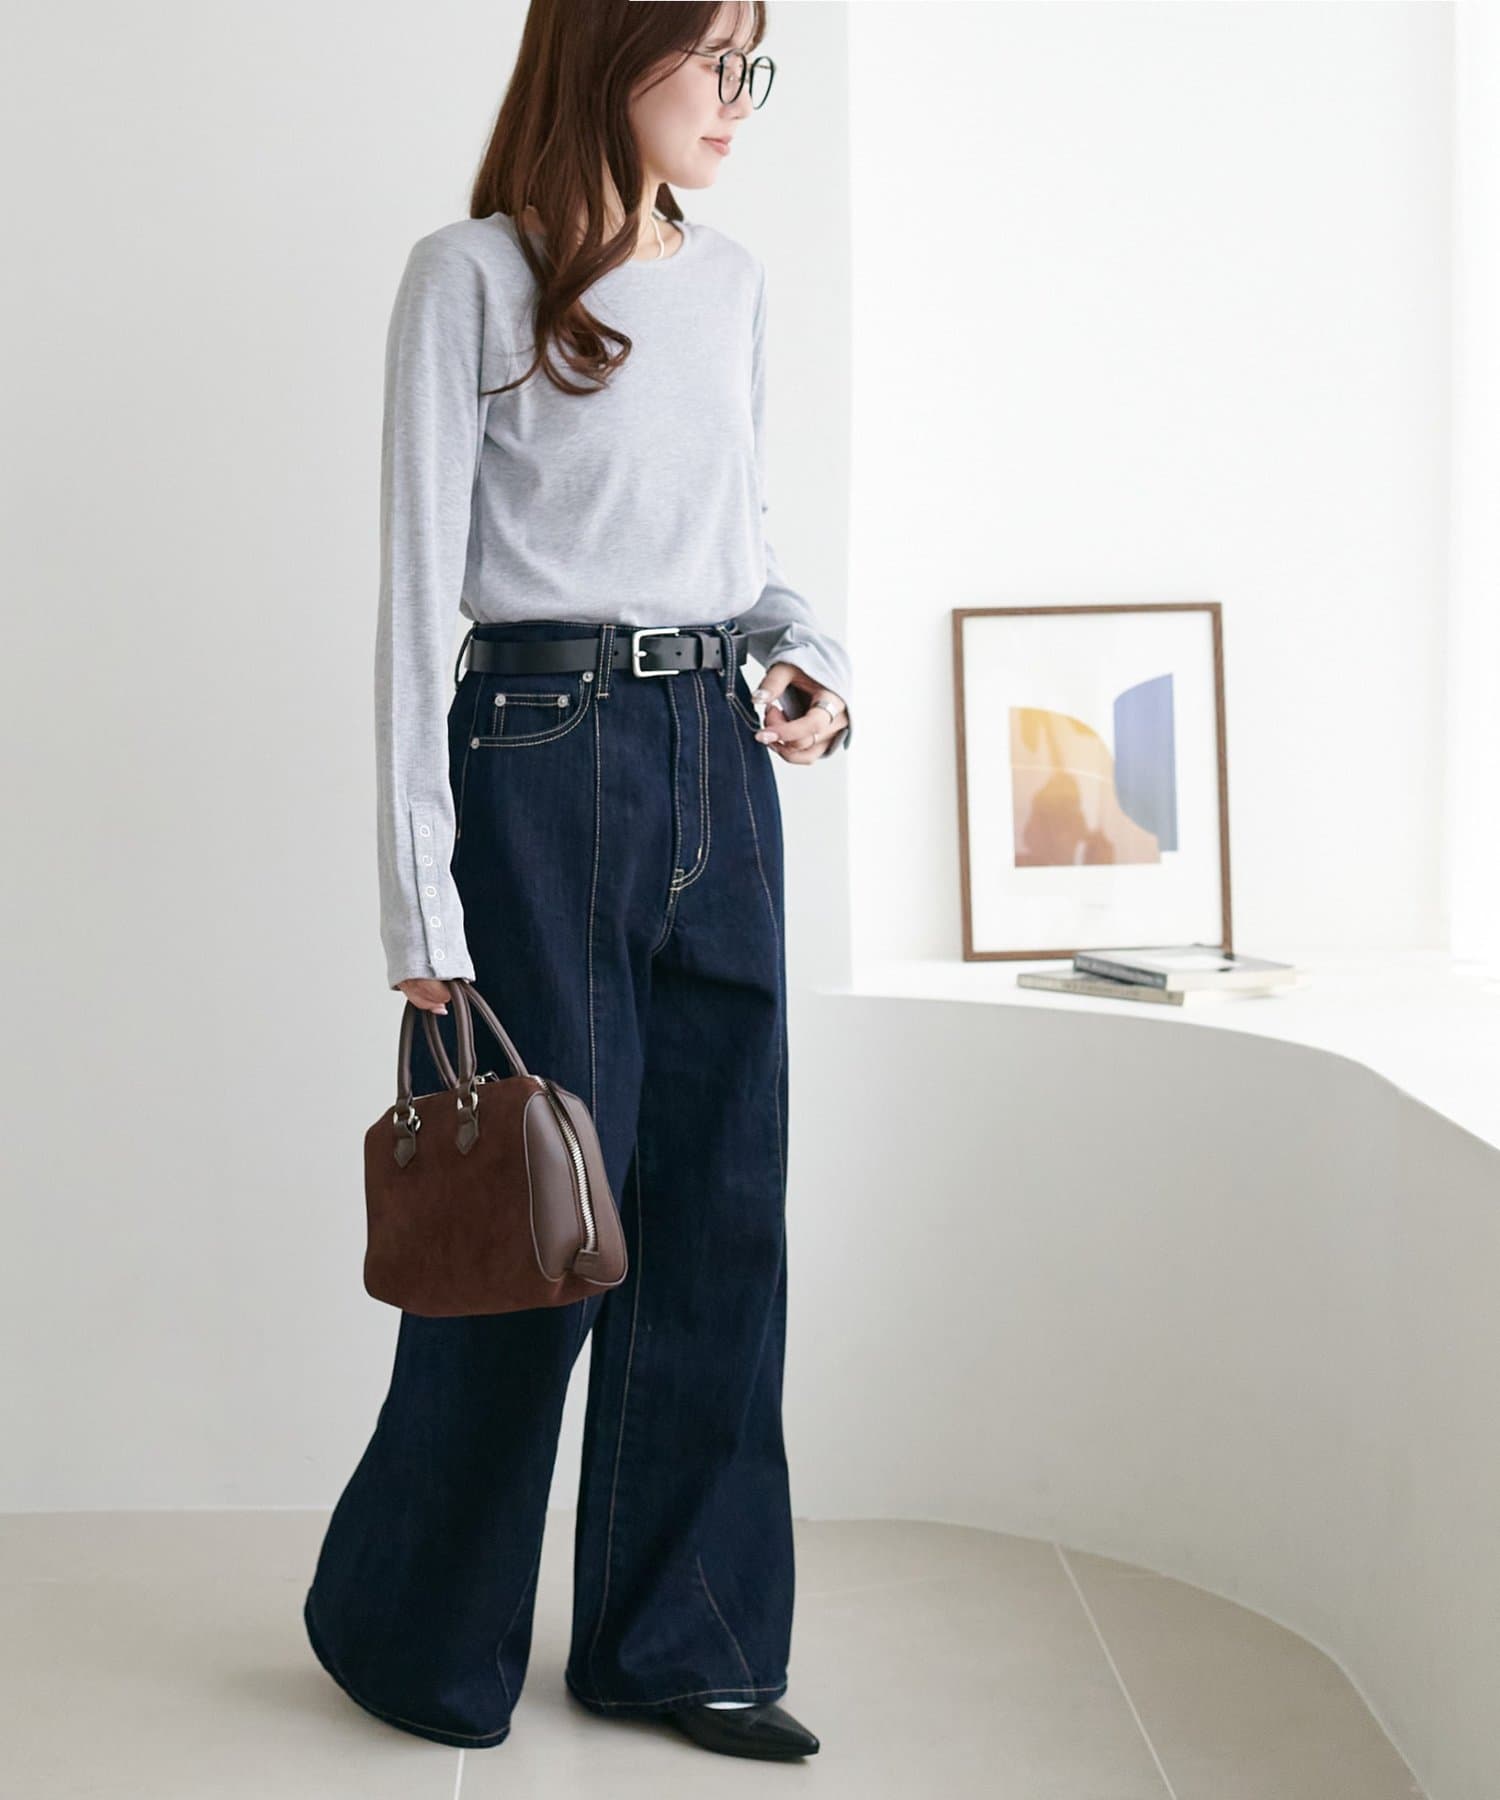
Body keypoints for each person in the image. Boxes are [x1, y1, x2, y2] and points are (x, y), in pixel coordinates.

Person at [302, 0, 851, 1765]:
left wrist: (812, 660)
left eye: (756, 68)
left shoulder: (733, 283)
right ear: (614, 54)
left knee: (721, 1217)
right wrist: (419, 900)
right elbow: (416, 600)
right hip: (539, 757)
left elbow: (741, 549)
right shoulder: (471, 278)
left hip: (718, 758)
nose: (741, 102)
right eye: (717, 63)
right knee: (534, 1234)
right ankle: (412, 1631)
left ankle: (683, 1643)